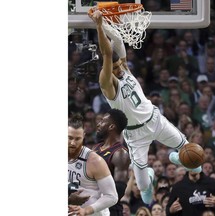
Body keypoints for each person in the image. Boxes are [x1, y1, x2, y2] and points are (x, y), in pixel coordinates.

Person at [88, 10, 202, 206]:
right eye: (114, 67)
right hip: (136, 135)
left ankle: (176, 157)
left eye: (120, 64)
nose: (120, 68)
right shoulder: (108, 84)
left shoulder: (123, 68)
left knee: (195, 163)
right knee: (143, 190)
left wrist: (106, 24)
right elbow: (107, 53)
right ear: (107, 69)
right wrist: (98, 25)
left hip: (155, 120)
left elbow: (117, 43)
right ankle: (148, 176)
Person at [68, 113, 118, 216]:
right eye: (70, 138)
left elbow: (112, 196)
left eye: (77, 139)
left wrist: (86, 210)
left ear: (84, 136)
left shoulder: (95, 161)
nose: (73, 143)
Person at [92, 109, 131, 216]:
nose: (98, 124)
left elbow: (120, 188)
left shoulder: (120, 153)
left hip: (109, 210)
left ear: (111, 127)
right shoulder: (96, 148)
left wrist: (94, 198)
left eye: (102, 121)